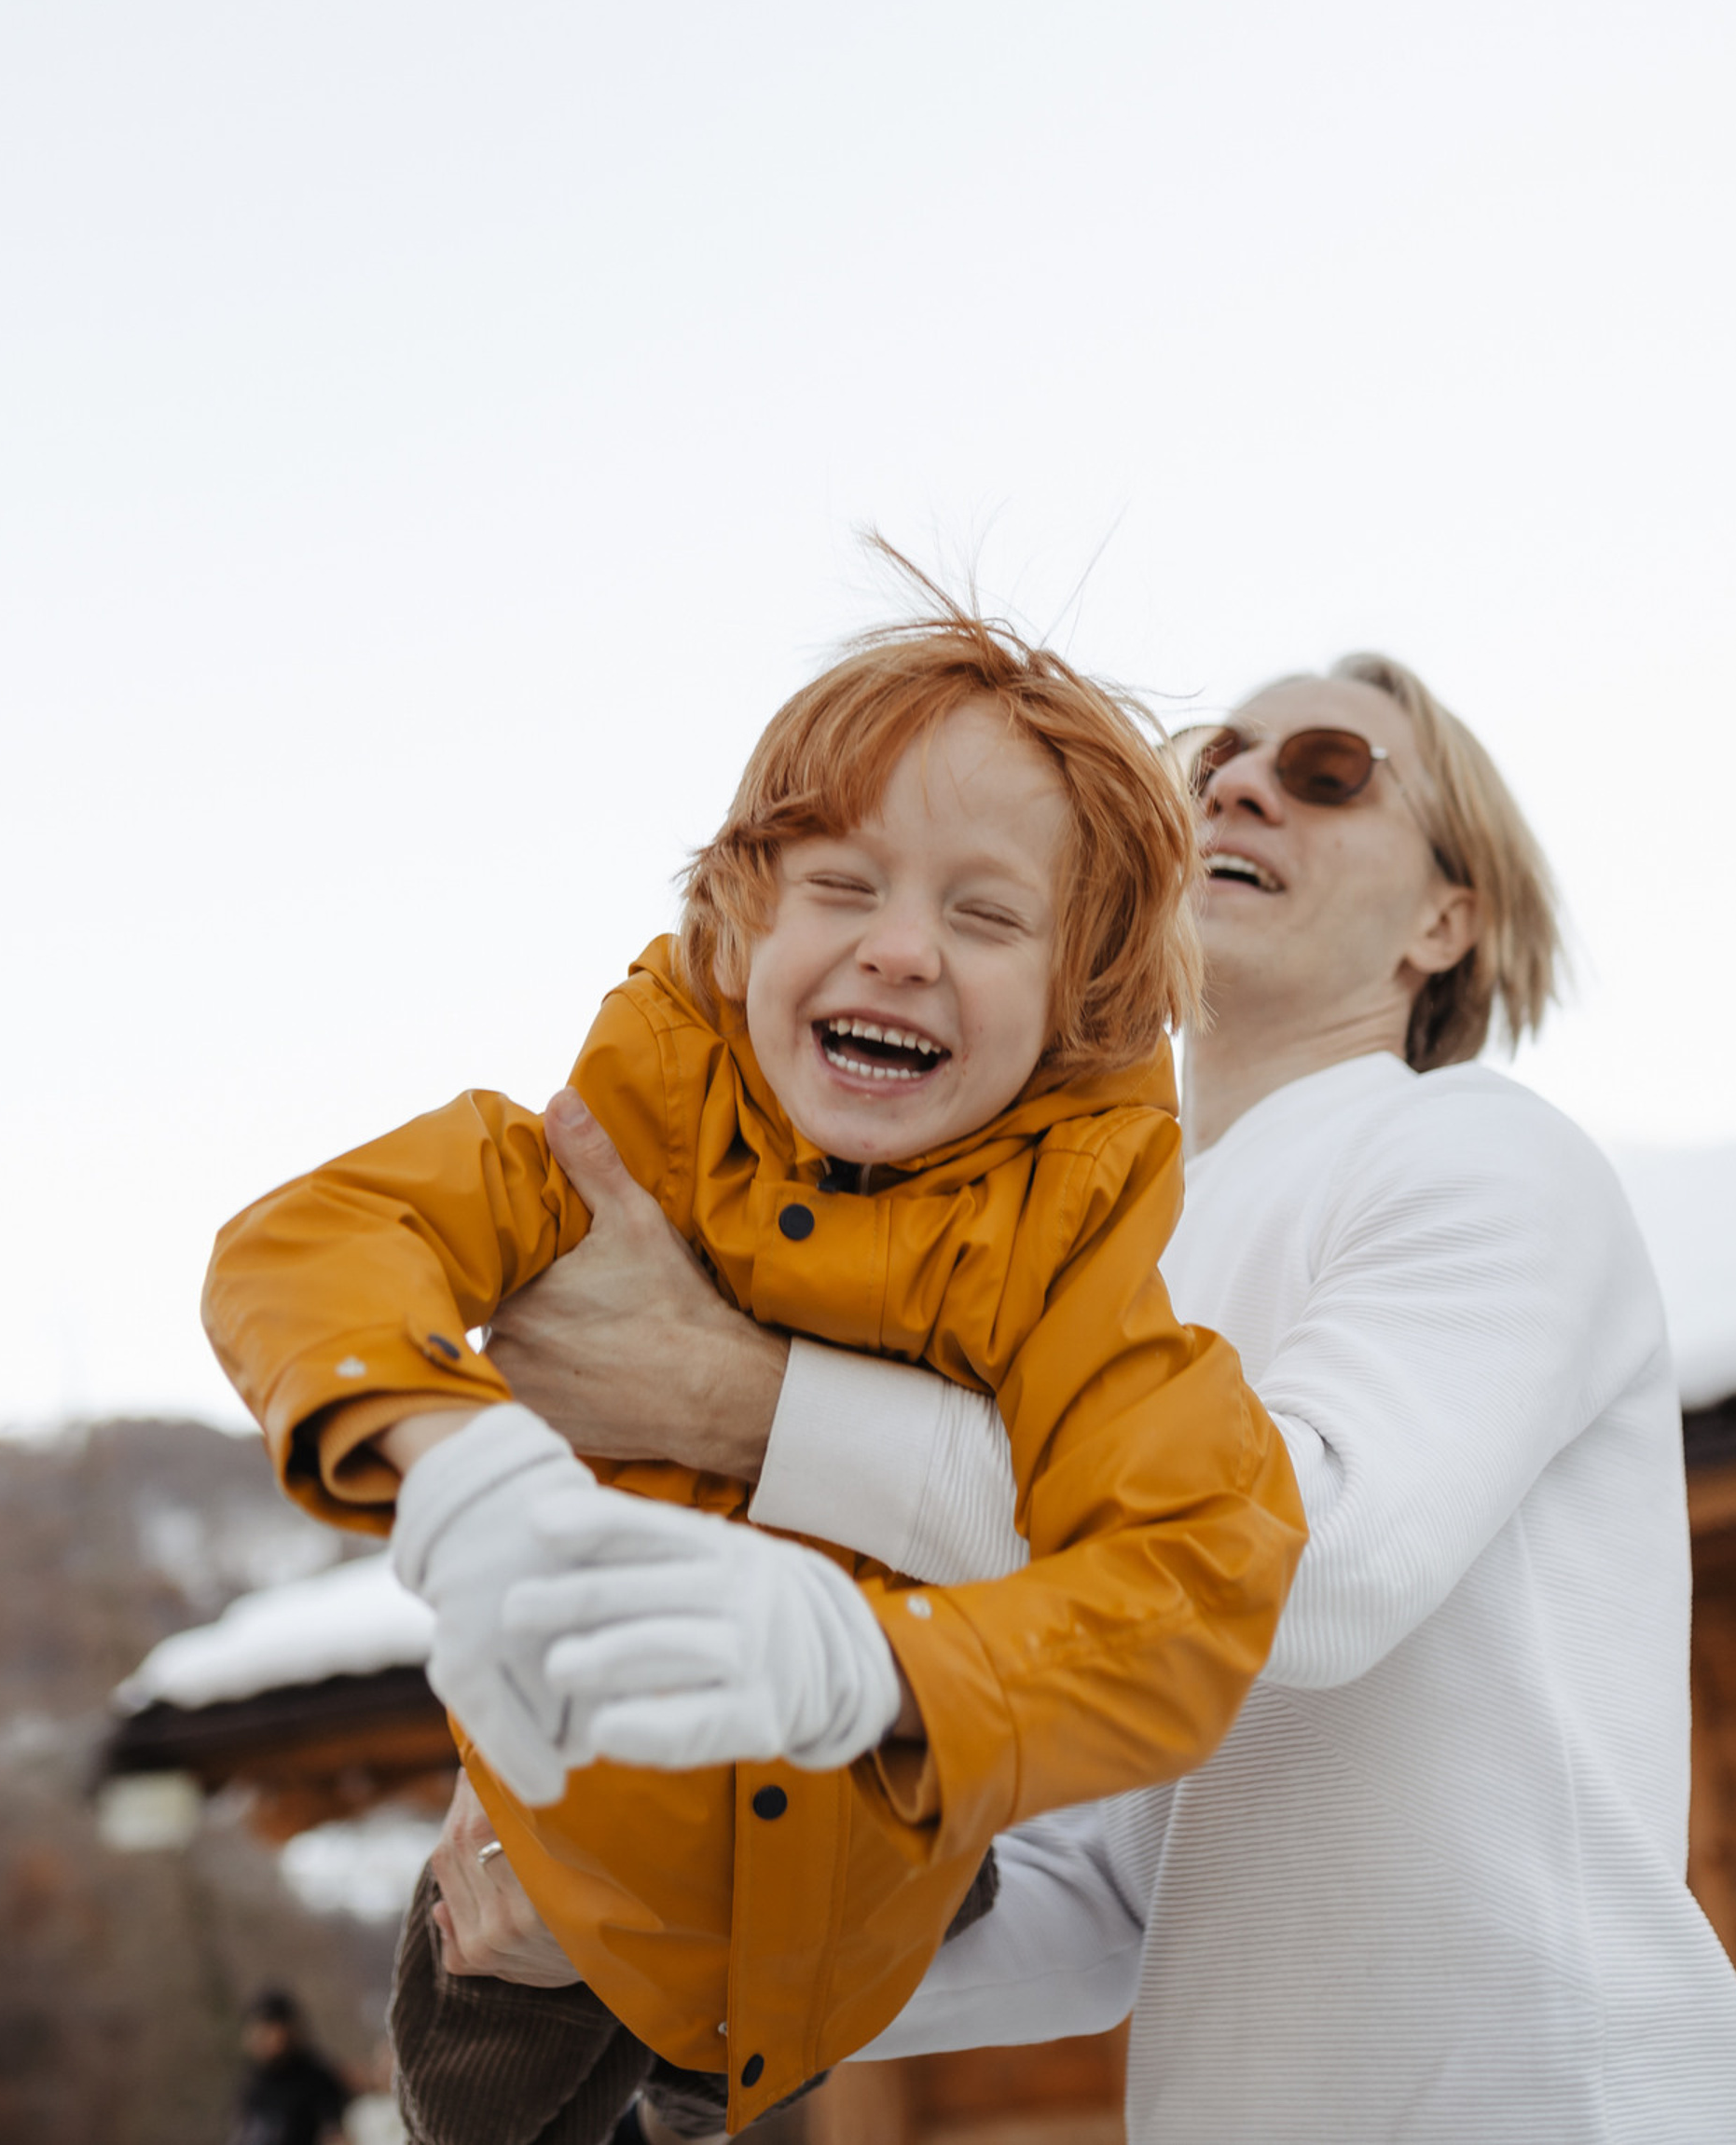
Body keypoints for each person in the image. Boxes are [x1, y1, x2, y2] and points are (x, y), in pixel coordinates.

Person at [435, 653, 1736, 2144]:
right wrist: (628, 1929)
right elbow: (1097, 1901)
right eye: (1210, 758)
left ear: (1446, 920)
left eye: (1328, 767)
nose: (1237, 784)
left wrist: (741, 1403)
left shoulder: (1483, 1152)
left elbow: (1312, 1571)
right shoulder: (1098, 1276)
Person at [201, 593, 1303, 2141]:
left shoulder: (1066, 1262)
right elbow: (317, 1238)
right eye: (843, 886)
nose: (904, 949)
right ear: (740, 922)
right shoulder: (605, 1157)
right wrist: (455, 1463)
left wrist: (893, 1673)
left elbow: (1203, 1566)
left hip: (850, 1927)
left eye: (988, 917)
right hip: (553, 1880)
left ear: (1079, 1000)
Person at [230, 1990, 352, 2145]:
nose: (259, 2038)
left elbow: (334, 2132)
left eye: (267, 2030)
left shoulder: (316, 2080)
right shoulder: (251, 2083)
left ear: (288, 2030)